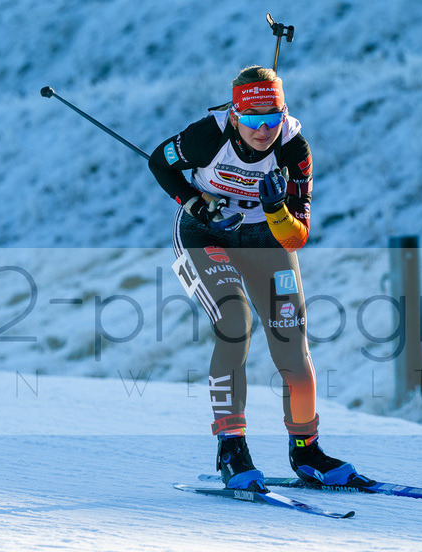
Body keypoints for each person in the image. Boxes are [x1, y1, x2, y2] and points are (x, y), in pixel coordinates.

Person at [148, 65, 365, 491]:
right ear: (234, 116)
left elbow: (298, 235)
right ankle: (231, 448)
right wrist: (195, 201)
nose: (262, 130)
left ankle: (306, 449)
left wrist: (276, 211)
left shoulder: (294, 149)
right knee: (235, 323)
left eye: (273, 118)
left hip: (266, 236)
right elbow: (160, 162)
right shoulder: (206, 137)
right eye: (251, 120)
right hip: (205, 233)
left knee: (292, 346)